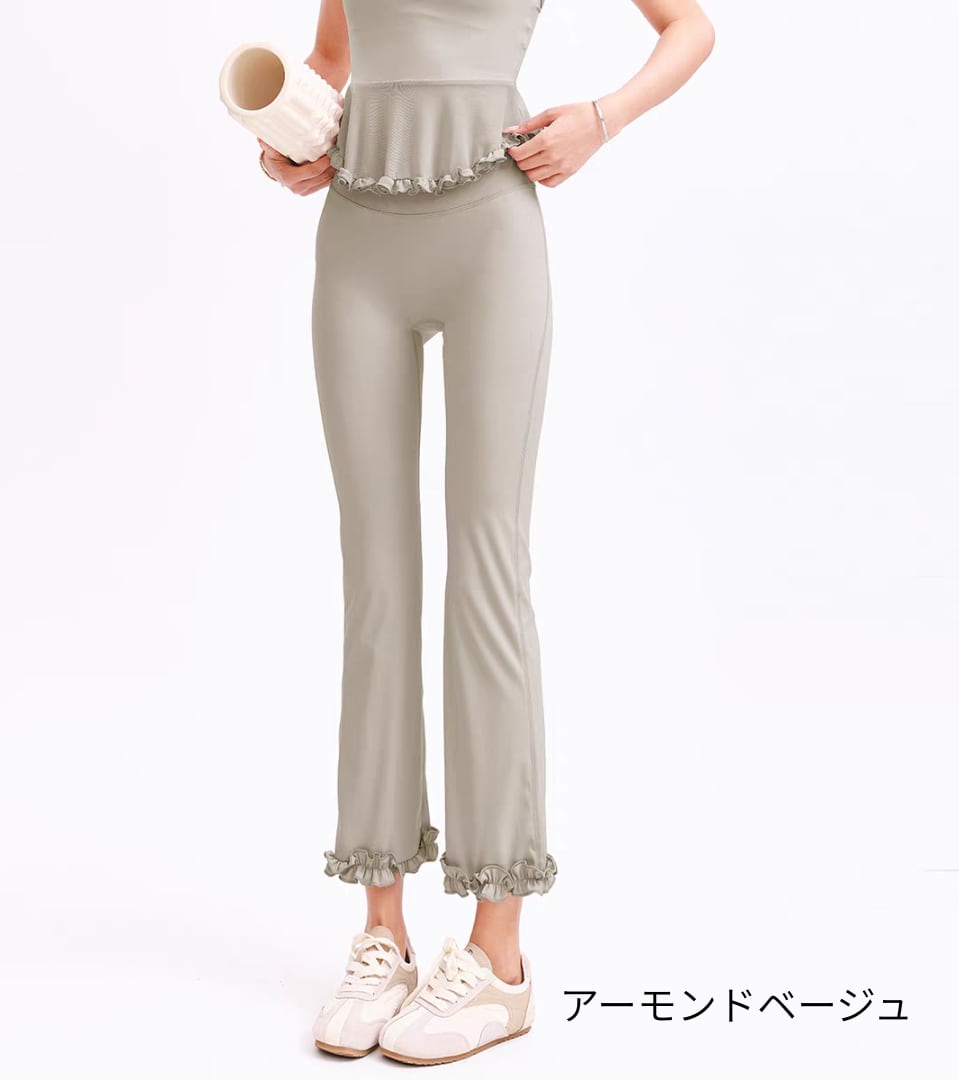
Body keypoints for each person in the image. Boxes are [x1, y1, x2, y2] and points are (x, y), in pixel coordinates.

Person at [256, 0, 715, 1065]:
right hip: (359, 234)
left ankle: (498, 957)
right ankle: (382, 934)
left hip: (490, 230)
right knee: (375, 578)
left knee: (486, 572)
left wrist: (602, 118)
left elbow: (689, 27)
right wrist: (286, 145)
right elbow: (329, 58)